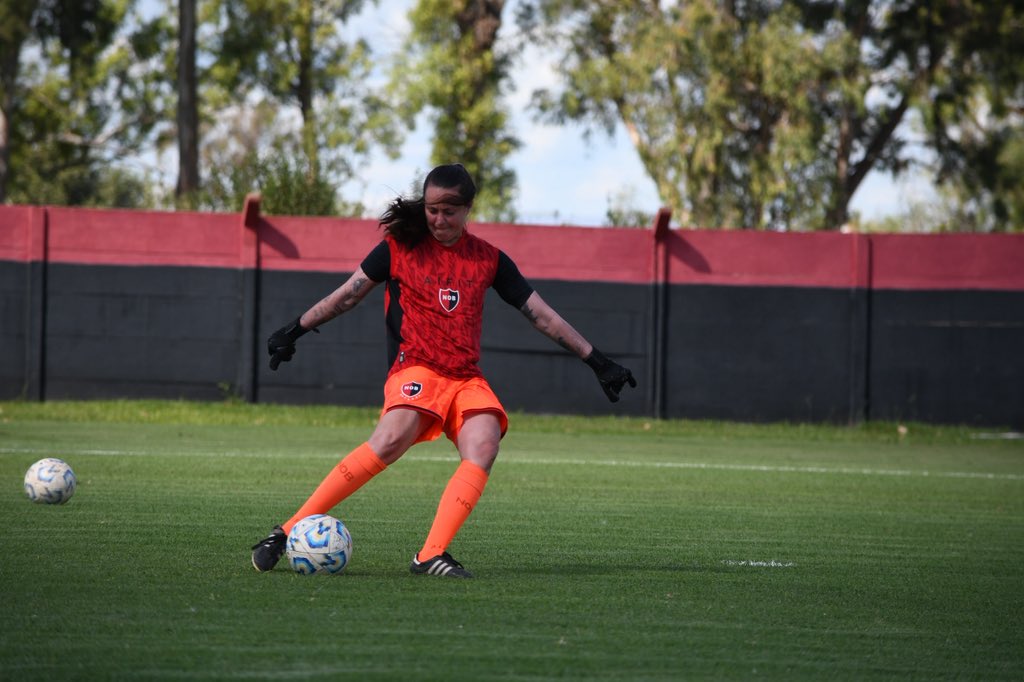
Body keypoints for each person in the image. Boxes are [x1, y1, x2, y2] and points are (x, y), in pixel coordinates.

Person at [251, 164, 636, 578]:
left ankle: (430, 555)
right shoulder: (399, 247)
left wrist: (596, 359)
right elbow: (348, 295)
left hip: (465, 378)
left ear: (468, 208)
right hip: (415, 366)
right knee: (390, 438)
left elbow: (540, 315)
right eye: (432, 209)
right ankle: (285, 530)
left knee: (485, 443)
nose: (438, 219)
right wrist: (295, 329)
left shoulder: (489, 259)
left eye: (449, 211)